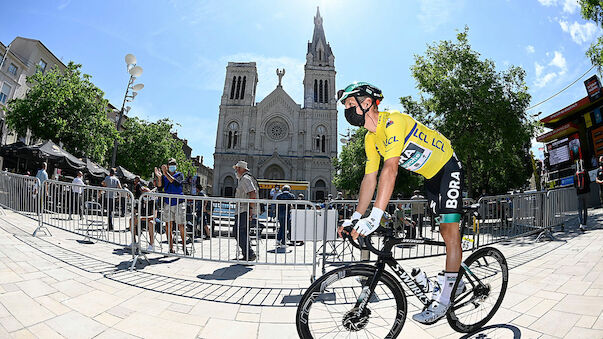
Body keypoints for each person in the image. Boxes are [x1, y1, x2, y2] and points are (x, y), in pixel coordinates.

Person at [337, 82, 465, 324]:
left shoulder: (393, 121)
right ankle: (457, 277)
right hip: (430, 178)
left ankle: (445, 301)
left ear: (367, 103)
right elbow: (369, 178)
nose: (347, 110)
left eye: (350, 104)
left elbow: (390, 168)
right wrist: (355, 216)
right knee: (441, 230)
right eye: (345, 106)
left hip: (448, 167)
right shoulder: (370, 139)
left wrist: (375, 216)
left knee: (450, 232)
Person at [154, 158, 188, 254]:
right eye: (170, 164)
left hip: (179, 203)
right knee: (168, 225)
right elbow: (160, 187)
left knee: (181, 225)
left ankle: (184, 246)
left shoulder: (180, 174)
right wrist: (160, 177)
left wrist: (165, 174)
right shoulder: (165, 176)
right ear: (168, 165)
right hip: (168, 203)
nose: (172, 165)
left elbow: (176, 183)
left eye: (174, 164)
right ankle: (170, 248)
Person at [233, 160, 258, 261]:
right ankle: (247, 254)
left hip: (244, 210)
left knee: (238, 232)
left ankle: (249, 254)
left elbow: (252, 193)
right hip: (242, 210)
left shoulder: (245, 179)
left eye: (237, 169)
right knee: (242, 232)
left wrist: (250, 210)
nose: (236, 171)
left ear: (240, 169)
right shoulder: (244, 179)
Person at [574, 159, 590, 231]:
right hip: (586, 192)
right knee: (585, 208)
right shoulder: (585, 172)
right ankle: (585, 223)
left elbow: (574, 185)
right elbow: (589, 181)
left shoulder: (575, 174)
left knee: (580, 209)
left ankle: (581, 223)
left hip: (579, 194)